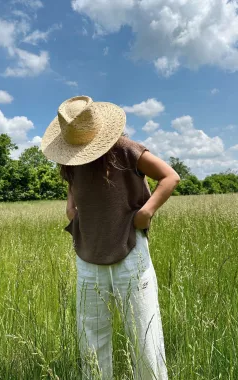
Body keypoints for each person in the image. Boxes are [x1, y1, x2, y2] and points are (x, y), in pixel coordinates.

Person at [41, 96, 180, 380]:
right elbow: (73, 183)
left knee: (145, 337)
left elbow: (170, 177)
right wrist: (71, 207)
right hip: (87, 255)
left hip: (130, 252)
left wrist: (147, 211)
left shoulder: (126, 150)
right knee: (91, 338)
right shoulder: (70, 156)